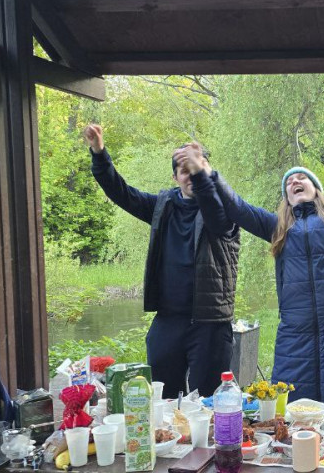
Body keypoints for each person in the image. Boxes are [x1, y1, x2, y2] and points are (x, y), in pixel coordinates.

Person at [174, 145, 324, 473]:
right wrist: (207, 172)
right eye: (289, 182)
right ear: (286, 198)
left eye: (302, 178)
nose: (294, 181)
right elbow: (236, 207)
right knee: (290, 415)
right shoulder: (277, 227)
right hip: (294, 338)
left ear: (317, 190)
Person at [83, 125, 240, 399]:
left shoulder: (224, 209)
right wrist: (99, 153)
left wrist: (202, 175)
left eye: (196, 169)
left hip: (210, 323)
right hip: (168, 320)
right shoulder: (163, 206)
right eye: (185, 171)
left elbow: (216, 215)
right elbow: (122, 193)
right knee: (164, 400)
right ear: (175, 177)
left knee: (210, 403)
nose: (191, 176)